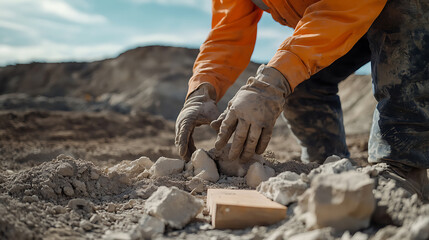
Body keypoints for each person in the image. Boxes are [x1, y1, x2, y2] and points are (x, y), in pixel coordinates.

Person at [175, 0, 429, 198]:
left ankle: (404, 165)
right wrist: (202, 90)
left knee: (405, 9)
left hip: (403, 16)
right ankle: (327, 164)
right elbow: (228, 29)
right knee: (297, 77)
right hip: (336, 22)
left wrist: (273, 80)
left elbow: (346, 7)